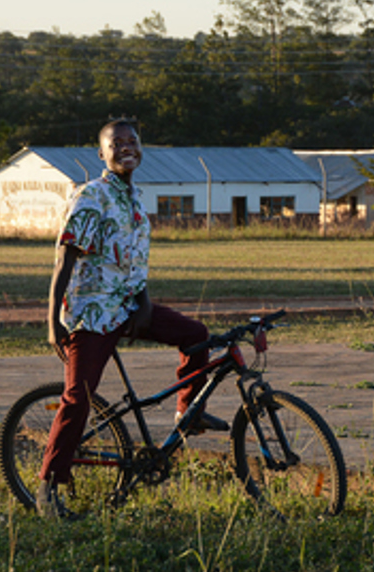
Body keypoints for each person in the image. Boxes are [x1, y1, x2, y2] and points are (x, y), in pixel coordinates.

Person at [37, 119, 227, 518]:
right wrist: (53, 319)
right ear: (102, 154)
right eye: (116, 143)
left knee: (197, 336)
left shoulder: (136, 200)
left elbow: (134, 265)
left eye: (132, 141)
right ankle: (48, 486)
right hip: (92, 313)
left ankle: (187, 412)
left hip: (127, 306)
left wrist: (144, 302)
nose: (126, 147)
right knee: (79, 398)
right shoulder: (93, 195)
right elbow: (65, 257)